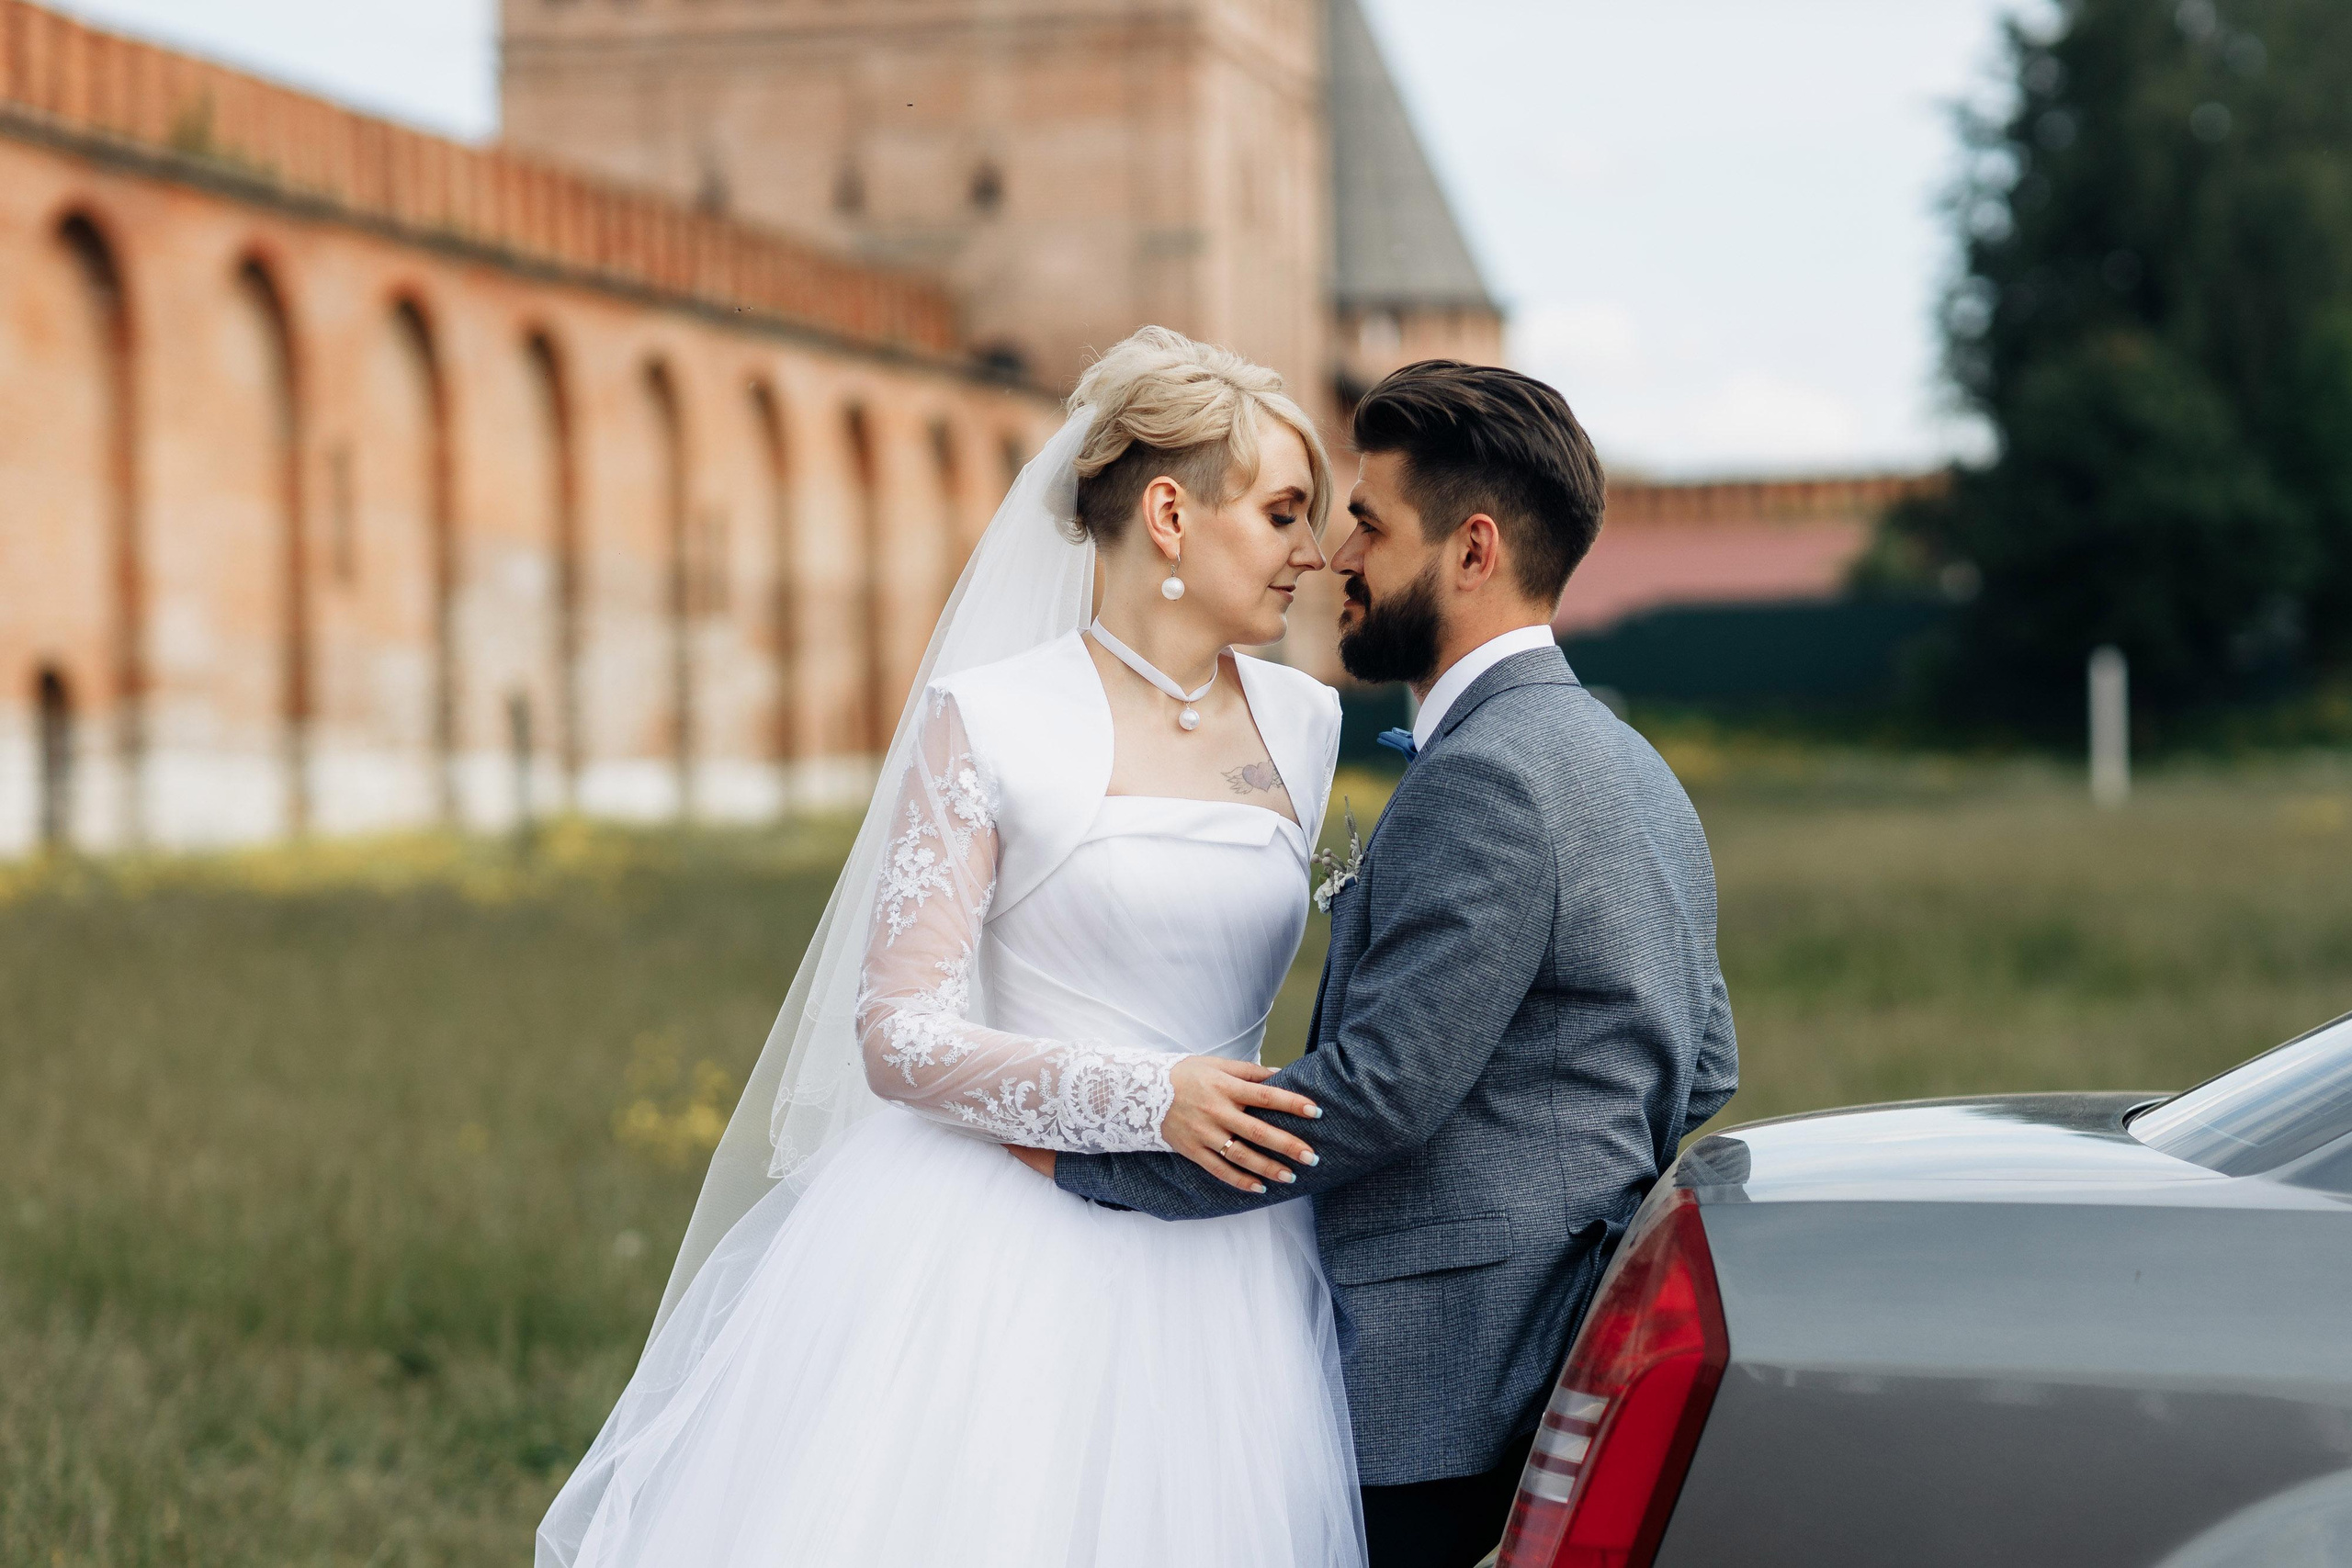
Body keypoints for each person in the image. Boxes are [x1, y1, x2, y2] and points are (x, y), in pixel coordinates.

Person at [537, 326, 1371, 1567]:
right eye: (1284, 513)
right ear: (1168, 515)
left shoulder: (1305, 724)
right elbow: (900, 1032)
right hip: (1007, 1231)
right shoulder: (991, 719)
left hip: (1231, 1248)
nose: (1316, 554)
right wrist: (1151, 1099)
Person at [1033, 359, 1740, 1568]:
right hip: (1542, 1354)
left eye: (1368, 521)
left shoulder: (1488, 776)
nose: (1336, 556)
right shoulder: (1632, 765)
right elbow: (1705, 1064)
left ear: (1472, 552)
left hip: (1434, 1386)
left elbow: (1378, 1095)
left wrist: (1092, 1157)